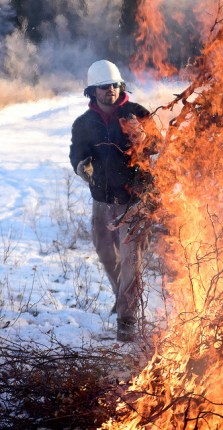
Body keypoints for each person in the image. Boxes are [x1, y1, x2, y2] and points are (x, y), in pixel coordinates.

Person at [69, 60, 159, 342]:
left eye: (114, 85)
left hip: (134, 201)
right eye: (103, 87)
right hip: (102, 200)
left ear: (120, 86)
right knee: (107, 256)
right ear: (92, 92)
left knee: (132, 260)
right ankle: (123, 296)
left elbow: (158, 150)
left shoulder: (137, 113)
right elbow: (77, 154)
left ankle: (127, 320)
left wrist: (144, 139)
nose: (109, 90)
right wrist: (81, 165)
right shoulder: (84, 124)